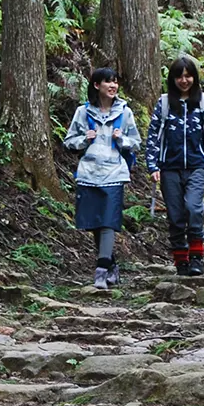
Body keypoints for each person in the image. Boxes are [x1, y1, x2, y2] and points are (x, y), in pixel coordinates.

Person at [63, 67, 141, 289]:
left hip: (114, 173)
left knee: (108, 222)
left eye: (115, 82)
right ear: (97, 85)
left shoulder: (125, 113)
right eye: (108, 82)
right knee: (95, 224)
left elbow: (136, 142)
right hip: (89, 173)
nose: (113, 86)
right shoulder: (83, 112)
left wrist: (122, 139)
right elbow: (69, 141)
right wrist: (84, 140)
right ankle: (112, 265)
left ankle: (100, 271)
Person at [145, 55, 204, 276]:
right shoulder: (165, 102)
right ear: (173, 79)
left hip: (198, 165)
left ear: (194, 78)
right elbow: (154, 136)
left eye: (188, 76)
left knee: (193, 208)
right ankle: (181, 259)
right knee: (176, 215)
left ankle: (197, 257)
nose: (184, 80)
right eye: (179, 76)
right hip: (169, 167)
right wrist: (152, 165)